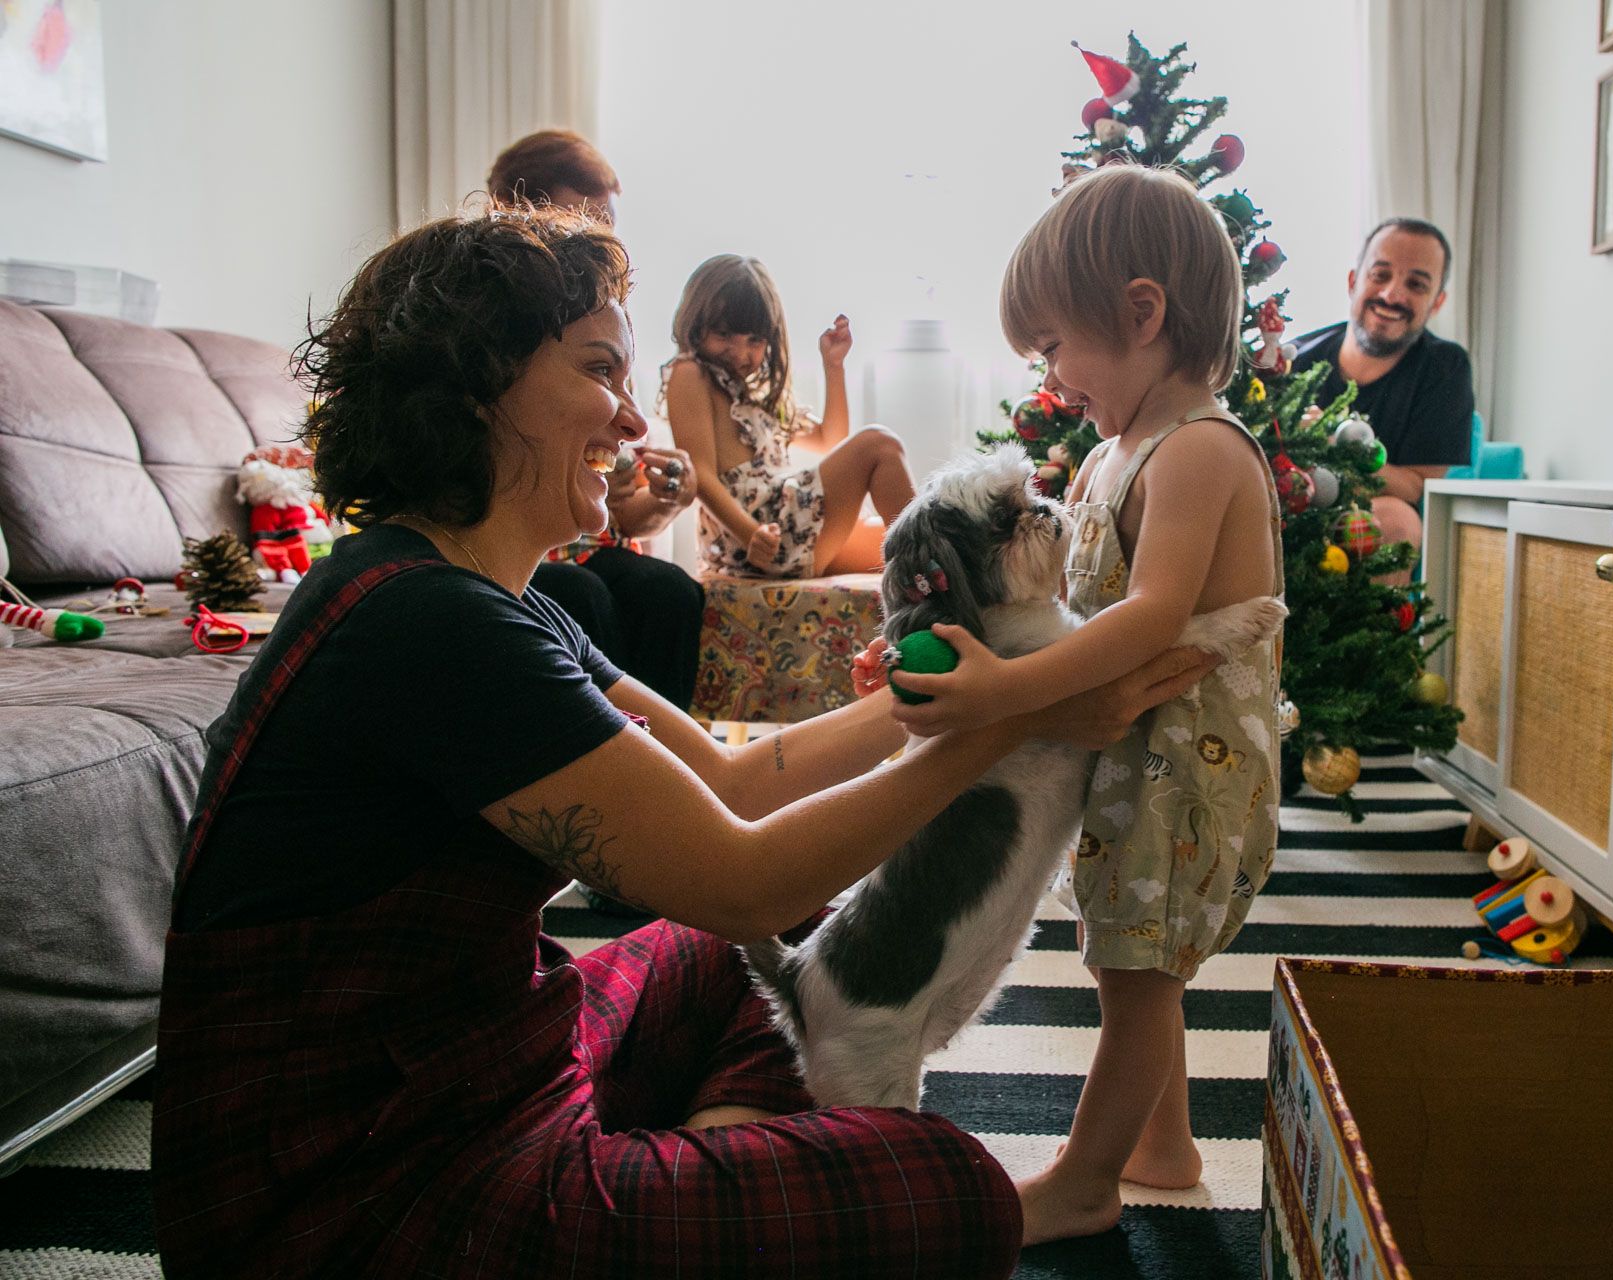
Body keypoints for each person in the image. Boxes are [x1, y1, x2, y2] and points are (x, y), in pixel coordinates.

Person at [150, 207, 1221, 1276]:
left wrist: (940, 691)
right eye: (598, 371)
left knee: (773, 953)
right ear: (477, 385)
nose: (631, 420)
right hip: (353, 1194)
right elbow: (743, 881)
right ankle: (715, 1183)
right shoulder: (427, 623)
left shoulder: (499, 597)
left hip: (486, 1059)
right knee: (946, 1184)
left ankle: (713, 1170)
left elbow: (732, 781)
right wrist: (1020, 713)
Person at [888, 164, 1286, 1245]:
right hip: (1142, 753)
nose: (1052, 377)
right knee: (1130, 958)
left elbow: (1153, 614)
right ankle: (1166, 1145)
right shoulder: (1117, 453)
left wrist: (1005, 692)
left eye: (1055, 346)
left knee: (1139, 973)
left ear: (1142, 313)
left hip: (1192, 767)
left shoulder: (1200, 449)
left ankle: (1086, 1178)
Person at [488, 128, 706, 711]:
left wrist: (664, 500)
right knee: (578, 595)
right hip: (523, 552)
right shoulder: (496, 334)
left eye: (607, 228)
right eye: (582, 224)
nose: (599, 247)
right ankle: (606, 750)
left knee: (668, 591)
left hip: (585, 547)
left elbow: (617, 515)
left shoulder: (601, 325)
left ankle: (664, 751)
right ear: (512, 212)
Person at [665, 254, 914, 577]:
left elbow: (829, 440)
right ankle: (932, 565)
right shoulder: (690, 373)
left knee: (898, 543)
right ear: (695, 325)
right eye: (724, 335)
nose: (740, 354)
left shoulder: (755, 396)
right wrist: (750, 534)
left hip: (786, 528)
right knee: (880, 444)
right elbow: (699, 473)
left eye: (754, 340)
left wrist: (834, 367)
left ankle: (936, 580)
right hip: (760, 533)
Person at [1289, 217, 1474, 569]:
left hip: (1368, 517)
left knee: (1396, 521)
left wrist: (1331, 442)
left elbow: (1416, 487)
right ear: (1353, 282)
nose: (1392, 295)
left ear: (1436, 303)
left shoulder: (1445, 367)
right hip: (1287, 508)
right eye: (1380, 275)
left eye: (1416, 284)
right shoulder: (1292, 359)